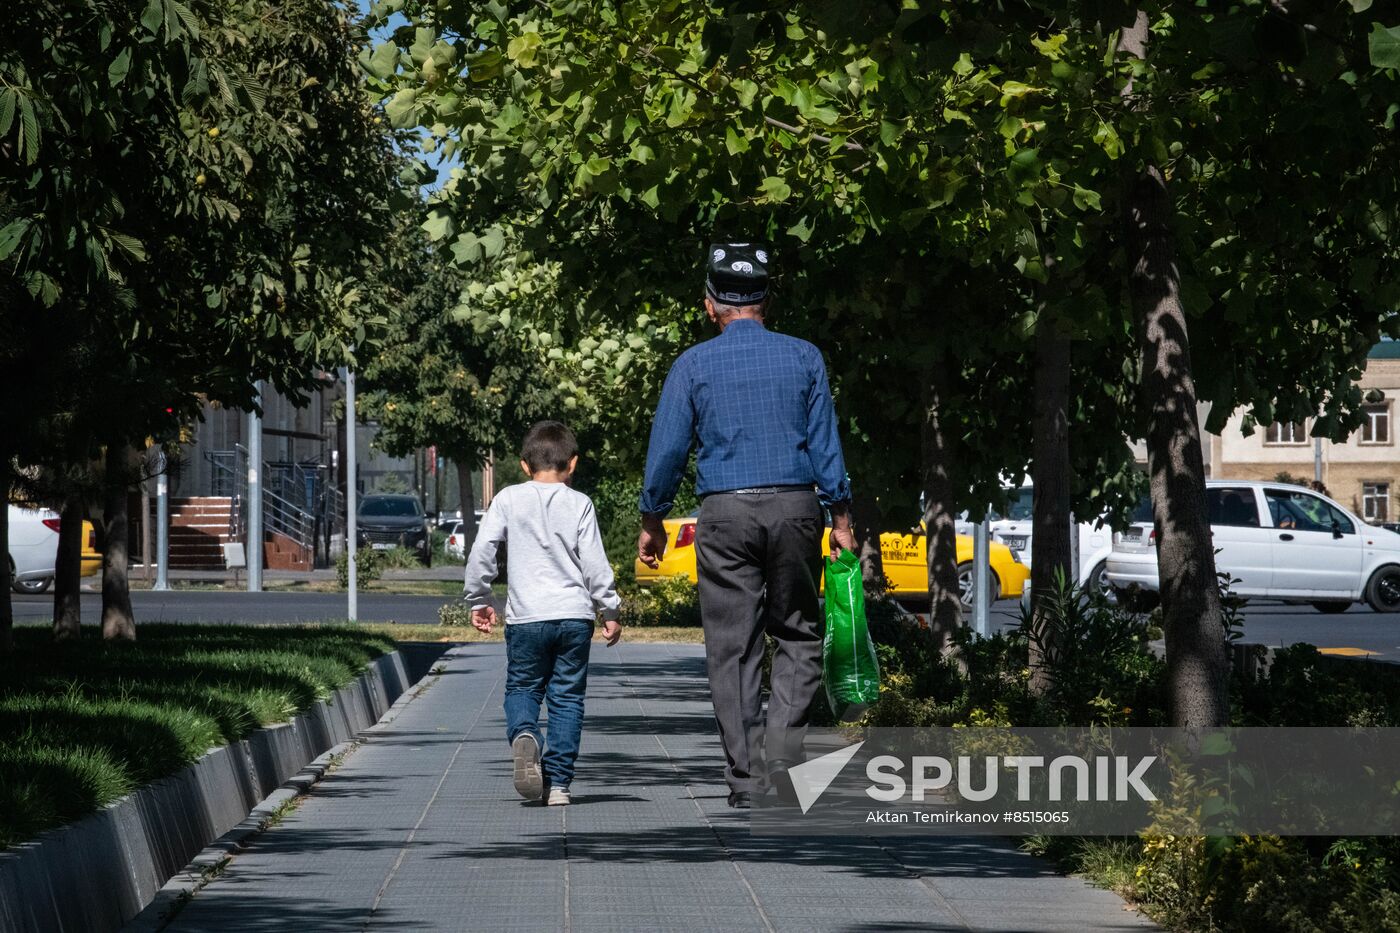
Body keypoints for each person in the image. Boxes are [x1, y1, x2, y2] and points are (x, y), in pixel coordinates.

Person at [637, 242, 854, 809]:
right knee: (799, 634)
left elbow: (667, 452)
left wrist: (652, 518)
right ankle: (784, 763)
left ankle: (746, 780)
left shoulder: (692, 365)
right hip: (795, 509)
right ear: (766, 300)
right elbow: (826, 445)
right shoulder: (805, 357)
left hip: (725, 513)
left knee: (732, 648)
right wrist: (843, 517)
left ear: (711, 305)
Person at [464, 420, 623, 806]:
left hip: (527, 617)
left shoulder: (508, 499)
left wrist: (478, 597)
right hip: (574, 617)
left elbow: (483, 550)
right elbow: (595, 563)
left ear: (523, 465)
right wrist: (610, 607)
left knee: (522, 688)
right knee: (568, 698)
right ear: (573, 464)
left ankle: (525, 734)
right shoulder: (580, 503)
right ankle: (559, 786)